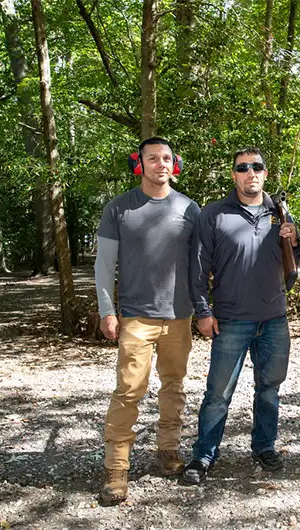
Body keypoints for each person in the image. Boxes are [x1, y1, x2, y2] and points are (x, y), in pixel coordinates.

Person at [182, 146, 300, 484]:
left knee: (269, 389)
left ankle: (264, 447)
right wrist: (203, 311)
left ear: (266, 173)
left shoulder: (280, 214)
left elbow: (298, 264)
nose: (250, 173)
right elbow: (198, 268)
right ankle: (204, 455)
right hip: (231, 319)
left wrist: (295, 241)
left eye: (257, 167)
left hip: (275, 319)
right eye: (242, 167)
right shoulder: (214, 213)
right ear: (233, 174)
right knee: (218, 394)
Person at [95, 137, 201, 503]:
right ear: (139, 164)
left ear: (176, 164)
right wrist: (106, 310)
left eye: (167, 158)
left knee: (174, 386)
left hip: (179, 317)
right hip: (136, 318)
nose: (161, 164)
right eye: (152, 159)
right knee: (128, 392)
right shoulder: (120, 208)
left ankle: (168, 451)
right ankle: (116, 469)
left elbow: (202, 264)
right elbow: (104, 264)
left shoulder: (190, 209)